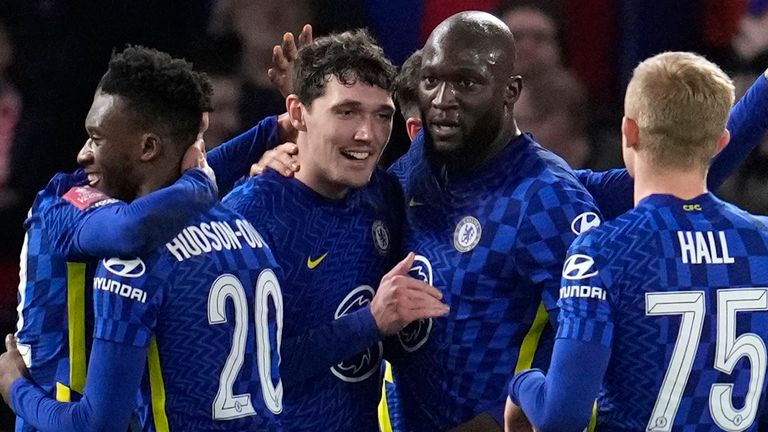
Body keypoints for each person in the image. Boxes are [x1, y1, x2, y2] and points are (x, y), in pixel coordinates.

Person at [0, 46, 285, 431]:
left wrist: (14, 387)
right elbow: (141, 213)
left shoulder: (133, 251)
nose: (83, 154)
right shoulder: (248, 236)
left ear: (148, 147)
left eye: (96, 138)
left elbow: (139, 221)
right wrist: (268, 133)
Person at [506, 51, 768, 432]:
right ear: (721, 142)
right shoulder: (762, 242)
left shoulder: (602, 252)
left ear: (629, 131)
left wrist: (521, 384)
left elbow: (561, 417)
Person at [222, 29, 449, 432]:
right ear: (297, 113)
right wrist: (370, 323)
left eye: (382, 115)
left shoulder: (384, 194)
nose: (368, 134)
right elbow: (239, 377)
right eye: (346, 112)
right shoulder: (249, 218)